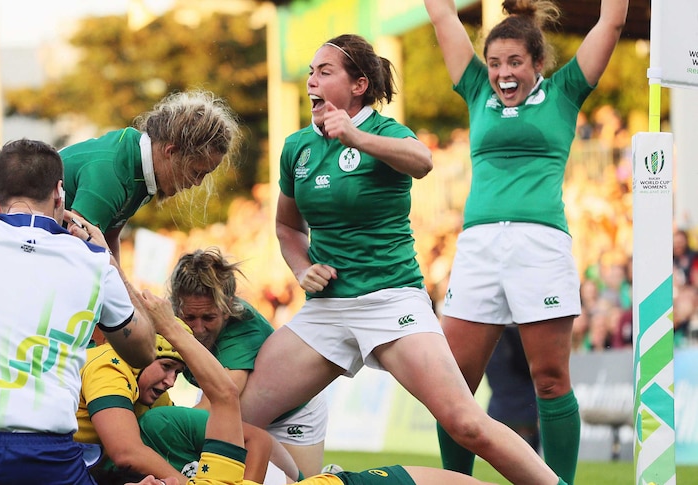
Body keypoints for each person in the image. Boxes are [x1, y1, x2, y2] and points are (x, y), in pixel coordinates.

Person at [237, 33, 565, 485]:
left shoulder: (386, 132)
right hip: (327, 312)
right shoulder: (297, 147)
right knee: (233, 417)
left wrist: (355, 136)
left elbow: (422, 160)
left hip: (392, 304)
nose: (311, 80)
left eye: (324, 71)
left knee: (466, 423)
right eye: (311, 71)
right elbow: (288, 227)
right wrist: (301, 268)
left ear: (359, 85)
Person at [423, 0, 629, 482]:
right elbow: (442, 16)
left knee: (552, 381)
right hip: (478, 249)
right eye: (494, 63)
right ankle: (457, 480)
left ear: (539, 63)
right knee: (455, 386)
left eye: (514, 62)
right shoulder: (476, 89)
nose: (502, 73)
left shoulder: (565, 91)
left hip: (540, 249)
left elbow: (613, 20)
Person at [0, 139, 156, 484]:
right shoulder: (93, 262)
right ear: (59, 194)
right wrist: (109, 259)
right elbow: (143, 350)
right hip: (46, 454)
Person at [134, 288, 498, 485]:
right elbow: (229, 403)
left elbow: (243, 423)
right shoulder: (167, 430)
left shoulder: (184, 450)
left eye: (172, 369)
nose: (149, 481)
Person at [169, 247, 325, 477]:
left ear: (227, 307)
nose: (198, 329)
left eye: (208, 318)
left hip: (292, 414)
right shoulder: (168, 318)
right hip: (239, 407)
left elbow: (217, 403)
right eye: (189, 318)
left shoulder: (244, 332)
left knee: (302, 483)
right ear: (176, 306)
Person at [77, 321, 277, 485]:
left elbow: (258, 439)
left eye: (178, 372)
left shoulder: (156, 400)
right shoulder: (109, 365)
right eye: (166, 366)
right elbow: (126, 452)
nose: (171, 382)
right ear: (142, 354)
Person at [62, 90, 241, 260]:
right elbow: (79, 243)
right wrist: (129, 291)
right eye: (196, 172)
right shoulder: (114, 171)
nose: (198, 183)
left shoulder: (142, 169)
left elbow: (109, 238)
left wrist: (124, 291)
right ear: (171, 151)